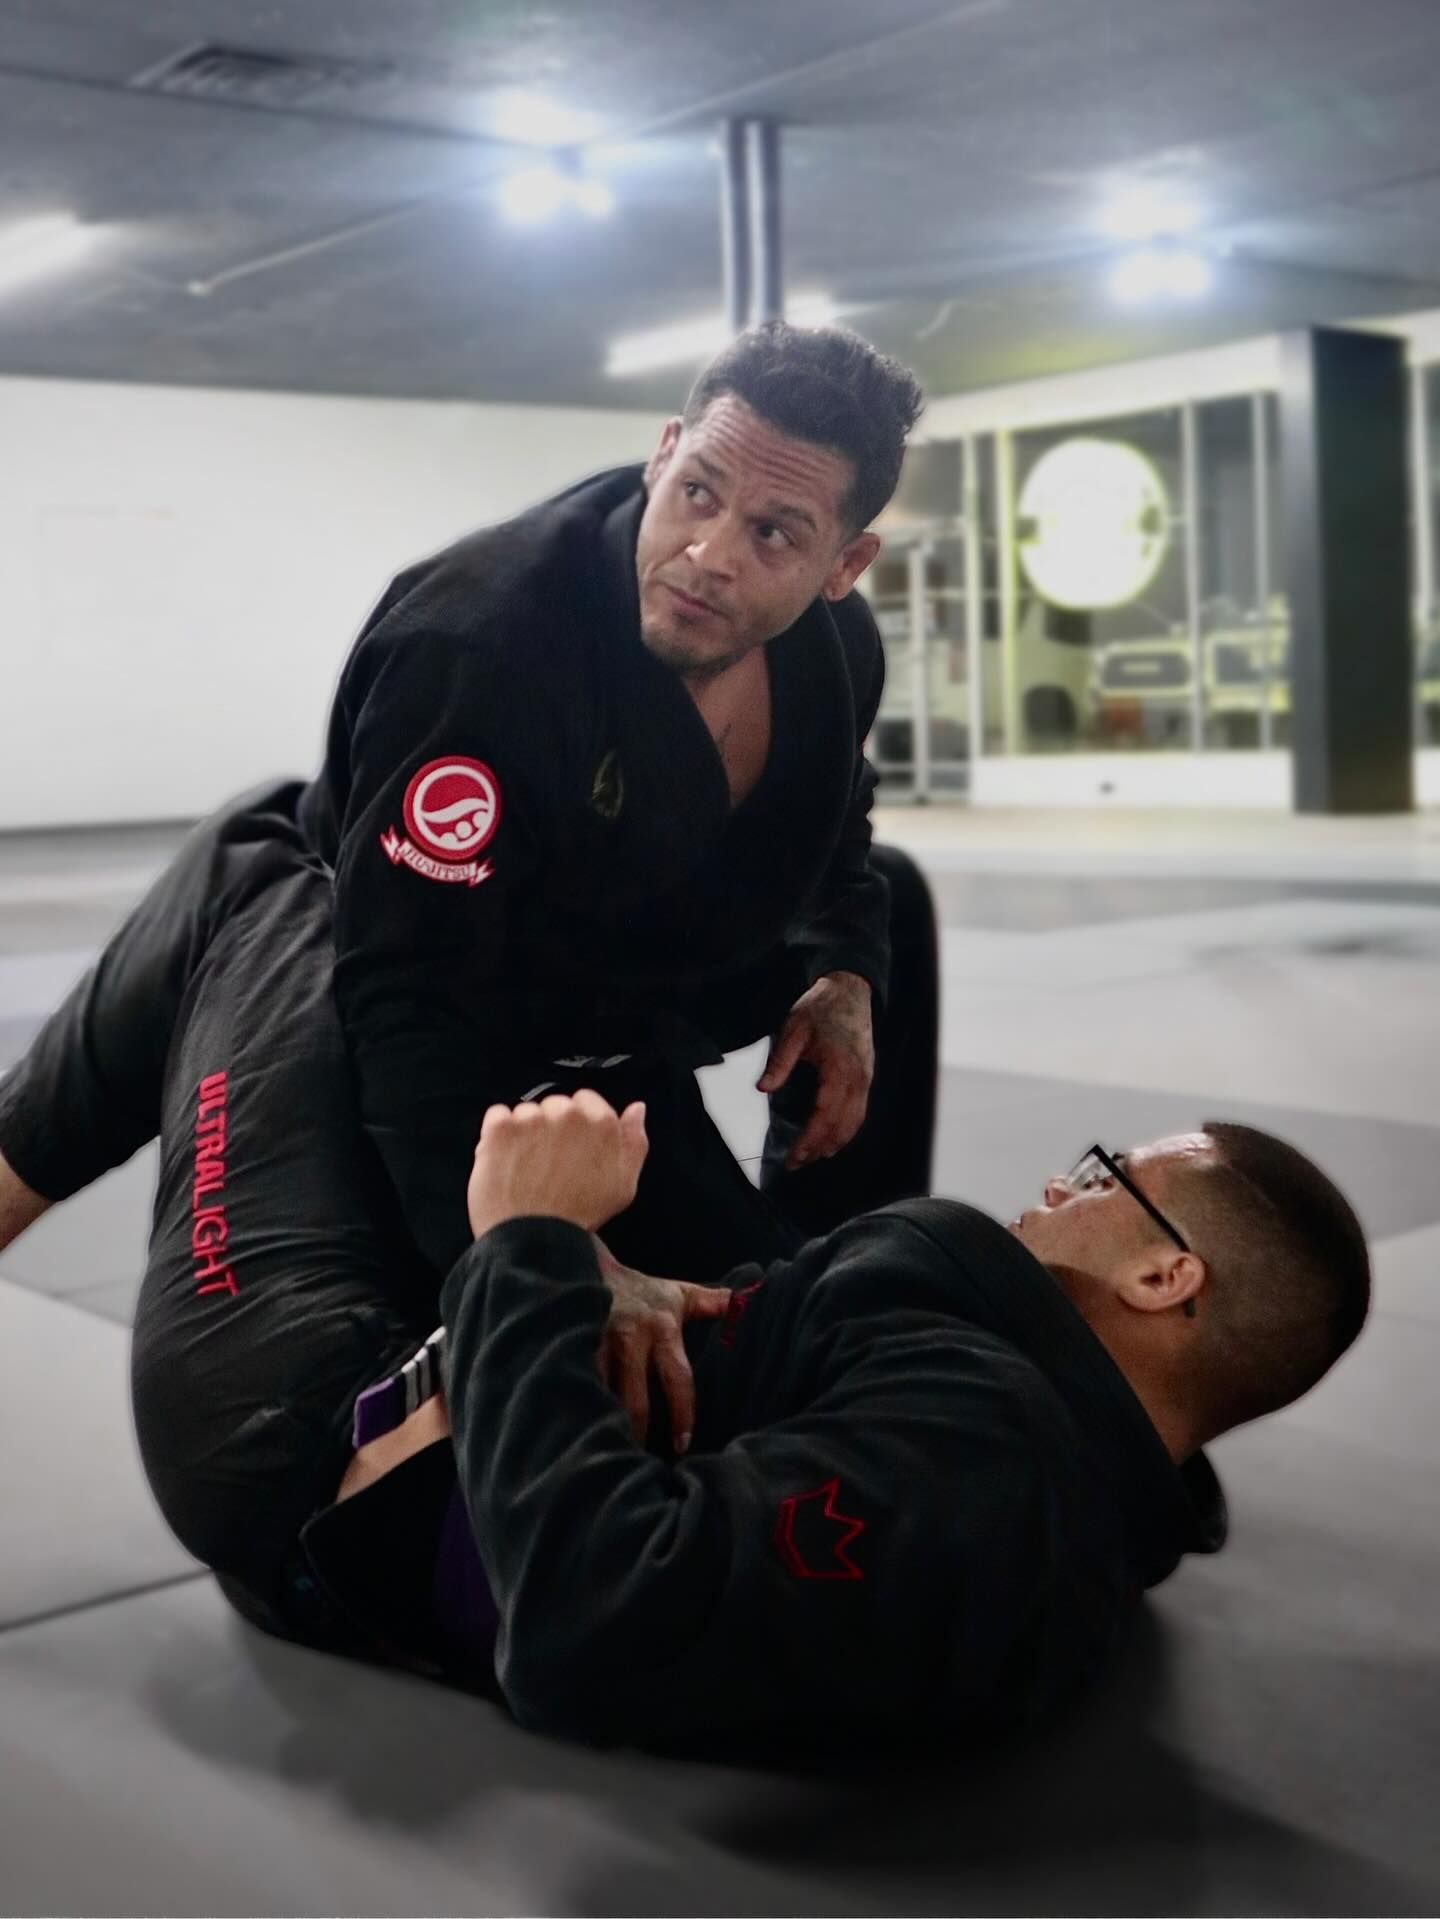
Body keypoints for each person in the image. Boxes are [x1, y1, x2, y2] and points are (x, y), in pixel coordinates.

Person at [0, 788, 1372, 1751]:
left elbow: (590, 1616)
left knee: (278, 862)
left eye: (1105, 1175)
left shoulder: (987, 1470)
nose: (1069, 1178)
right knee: (821, 910)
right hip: (573, 1342)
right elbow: (830, 1343)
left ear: (1160, 1278)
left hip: (306, 1451)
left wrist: (534, 1243)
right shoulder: (1036, 1407)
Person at [296, 321, 936, 1288]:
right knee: (634, 1339)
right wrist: (533, 1265)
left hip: (628, 992)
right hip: (436, 1013)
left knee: (889, 909)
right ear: (663, 455)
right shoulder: (481, 650)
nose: (709, 553)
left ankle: (839, 1264)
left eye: (773, 532)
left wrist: (846, 975)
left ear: (844, 567)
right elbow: (406, 997)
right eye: (698, 494)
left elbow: (838, 818)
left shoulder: (837, 650)